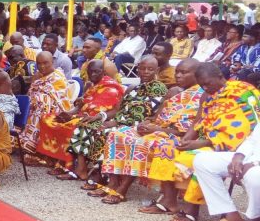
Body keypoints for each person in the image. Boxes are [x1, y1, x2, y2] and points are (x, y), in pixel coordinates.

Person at [93, 59, 205, 211]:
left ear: (197, 75)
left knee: (142, 142)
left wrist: (155, 130)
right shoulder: (177, 92)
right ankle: (113, 182)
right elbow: (158, 118)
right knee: (117, 134)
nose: (178, 75)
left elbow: (185, 131)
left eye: (183, 72)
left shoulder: (199, 96)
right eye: (177, 72)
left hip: (177, 137)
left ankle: (123, 188)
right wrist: (147, 124)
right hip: (160, 130)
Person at [73, 56, 167, 192]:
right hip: (119, 121)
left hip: (137, 126)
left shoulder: (159, 89)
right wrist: (101, 116)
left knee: (106, 132)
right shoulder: (133, 88)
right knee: (87, 125)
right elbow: (118, 109)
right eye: (142, 68)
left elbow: (146, 114)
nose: (146, 72)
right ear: (137, 69)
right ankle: (86, 170)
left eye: (150, 69)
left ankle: (107, 177)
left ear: (157, 70)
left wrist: (115, 123)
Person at [37, 60, 124, 174]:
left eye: (96, 72)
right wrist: (69, 113)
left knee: (71, 125)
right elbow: (80, 106)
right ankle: (53, 158)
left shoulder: (111, 88)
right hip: (81, 115)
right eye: (90, 71)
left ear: (103, 72)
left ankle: (66, 164)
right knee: (47, 118)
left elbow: (98, 111)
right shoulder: (92, 85)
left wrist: (72, 117)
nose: (92, 74)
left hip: (97, 119)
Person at [191, 107, 260, 221]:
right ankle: (232, 219)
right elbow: (253, 139)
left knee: (254, 175)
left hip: (256, 163)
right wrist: (239, 156)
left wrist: (255, 163)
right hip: (253, 157)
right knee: (203, 161)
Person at [19, 51, 75, 156]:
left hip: (57, 109)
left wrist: (37, 99)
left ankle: (32, 145)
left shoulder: (57, 77)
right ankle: (27, 141)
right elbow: (30, 94)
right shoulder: (38, 76)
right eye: (39, 63)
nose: (42, 66)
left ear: (52, 62)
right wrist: (34, 83)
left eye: (45, 63)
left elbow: (59, 99)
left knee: (42, 106)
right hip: (37, 107)